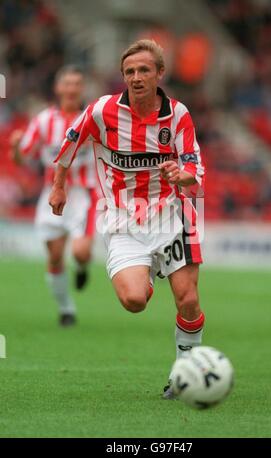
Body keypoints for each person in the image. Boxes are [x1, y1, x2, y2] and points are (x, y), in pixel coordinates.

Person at [49, 40, 205, 397]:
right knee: (134, 301)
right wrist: (59, 187)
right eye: (129, 72)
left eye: (144, 70)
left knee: (188, 299)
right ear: (123, 76)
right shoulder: (103, 111)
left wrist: (182, 175)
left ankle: (185, 372)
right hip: (121, 219)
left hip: (172, 215)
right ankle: (148, 271)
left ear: (159, 74)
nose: (136, 77)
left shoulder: (178, 115)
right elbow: (69, 144)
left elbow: (194, 162)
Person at [11, 66, 98, 327]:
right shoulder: (43, 120)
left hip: (83, 194)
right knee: (55, 256)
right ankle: (66, 309)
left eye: (76, 84)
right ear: (58, 88)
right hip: (52, 194)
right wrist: (16, 147)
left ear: (82, 89)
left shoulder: (93, 119)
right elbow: (22, 158)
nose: (71, 89)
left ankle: (82, 268)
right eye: (67, 84)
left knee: (81, 252)